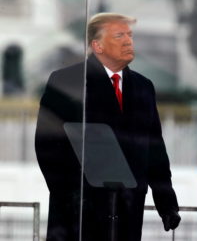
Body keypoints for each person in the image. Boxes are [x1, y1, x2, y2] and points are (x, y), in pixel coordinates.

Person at [35, 13, 181, 240]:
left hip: (127, 210)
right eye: (119, 35)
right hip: (78, 213)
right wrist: (70, 195)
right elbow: (47, 144)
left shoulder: (144, 87)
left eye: (130, 35)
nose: (128, 41)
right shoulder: (67, 81)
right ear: (97, 45)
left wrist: (167, 203)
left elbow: (155, 151)